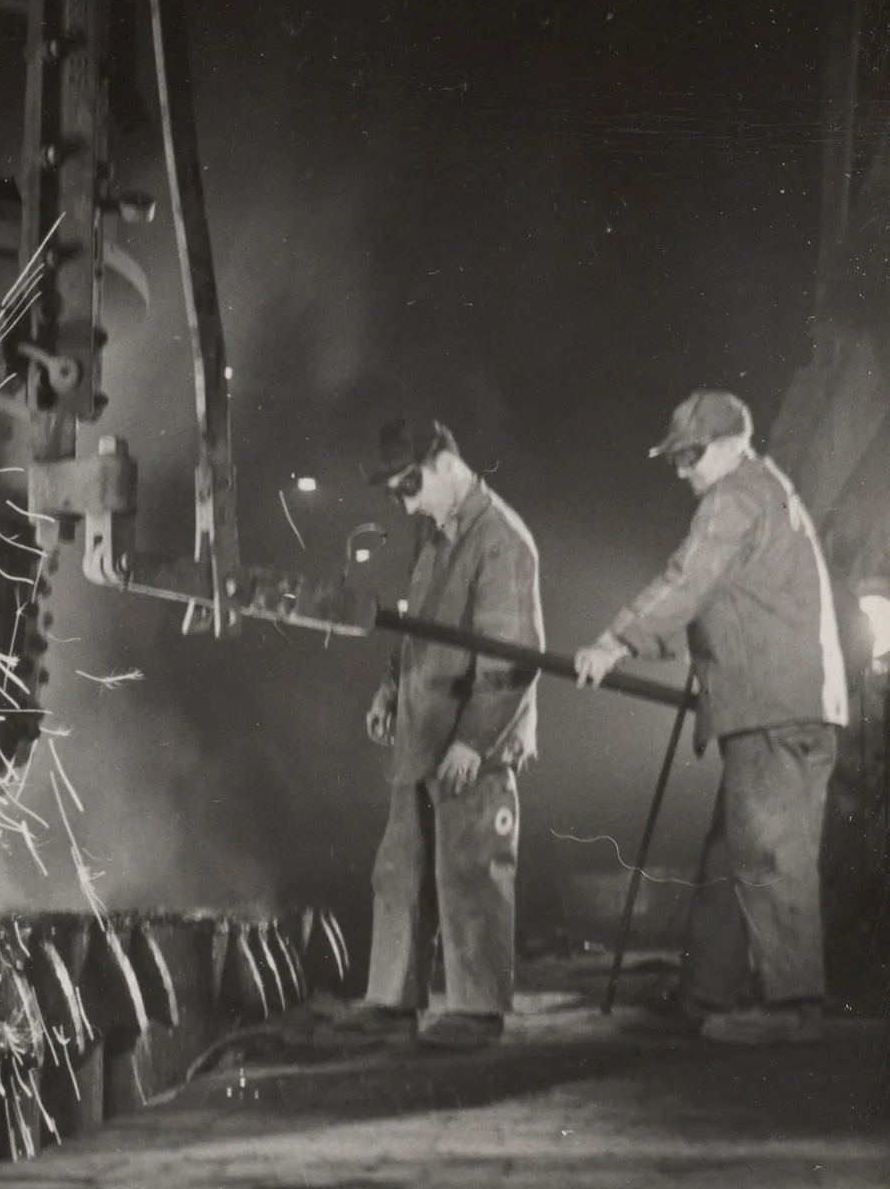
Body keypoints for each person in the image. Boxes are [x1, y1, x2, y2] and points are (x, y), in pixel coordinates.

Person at [576, 390, 847, 1045]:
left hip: (771, 711)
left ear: (729, 445)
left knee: (770, 857)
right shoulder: (764, 491)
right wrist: (658, 644)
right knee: (732, 854)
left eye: (690, 455)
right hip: (780, 706)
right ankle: (707, 993)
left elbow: (690, 578)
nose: (682, 470)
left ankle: (792, 1009)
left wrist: (618, 638)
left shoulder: (735, 495)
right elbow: (719, 598)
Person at [336, 418, 545, 1049]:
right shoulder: (434, 535)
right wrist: (388, 693)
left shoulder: (501, 541)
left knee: (471, 870)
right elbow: (416, 630)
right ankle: (392, 1002)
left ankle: (477, 1012)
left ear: (447, 462)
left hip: (469, 746)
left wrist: (475, 740)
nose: (404, 503)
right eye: (394, 492)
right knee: (398, 870)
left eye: (410, 484)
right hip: (423, 733)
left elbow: (512, 659)